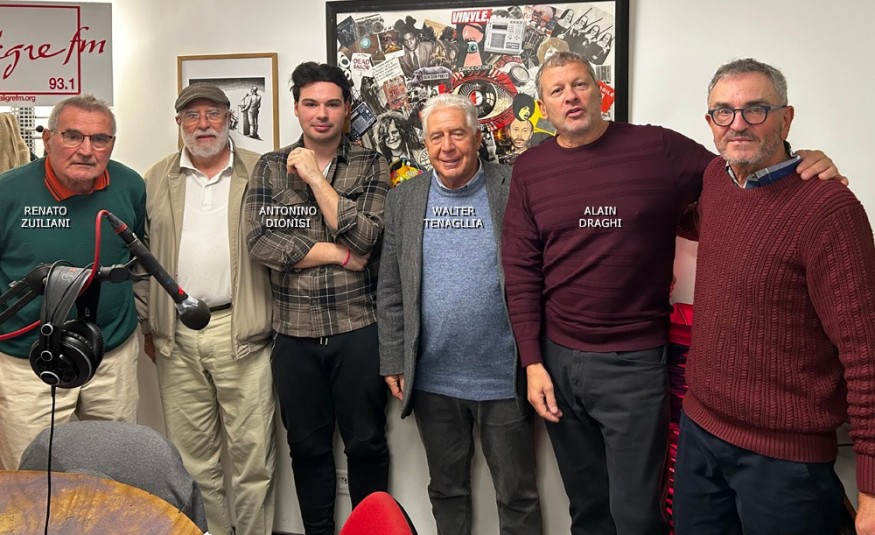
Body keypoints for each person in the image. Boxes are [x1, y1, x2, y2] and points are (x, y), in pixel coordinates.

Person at [500, 52, 841, 535]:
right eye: (557, 90)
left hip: (634, 362)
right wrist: (533, 361)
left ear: (600, 92)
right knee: (588, 509)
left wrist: (799, 159)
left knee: (638, 516)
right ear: (543, 105)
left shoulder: (655, 146)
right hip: (557, 360)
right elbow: (519, 268)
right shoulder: (530, 168)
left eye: (580, 84)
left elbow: (741, 170)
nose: (571, 97)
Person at [672, 58, 875, 535]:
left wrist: (871, 487)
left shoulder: (829, 209)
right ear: (710, 122)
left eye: (756, 109)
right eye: (724, 111)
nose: (738, 123)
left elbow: (866, 352)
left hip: (784, 461)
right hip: (701, 432)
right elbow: (696, 223)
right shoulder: (716, 180)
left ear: (786, 118)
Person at [377, 94, 542, 535]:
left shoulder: (513, 188)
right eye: (436, 137)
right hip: (433, 380)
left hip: (503, 377)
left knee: (518, 495)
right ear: (425, 144)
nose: (447, 146)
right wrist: (393, 357)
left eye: (457, 134)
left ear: (477, 137)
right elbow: (391, 288)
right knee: (447, 492)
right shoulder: (404, 199)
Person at [245, 61, 390, 535]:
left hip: (358, 329)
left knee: (366, 444)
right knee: (306, 449)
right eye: (311, 104)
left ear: (346, 109)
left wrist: (313, 177)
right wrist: (336, 252)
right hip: (294, 334)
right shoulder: (270, 167)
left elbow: (367, 239)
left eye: (331, 104)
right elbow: (259, 243)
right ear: (296, 108)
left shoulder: (371, 164)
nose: (321, 114)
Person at [138, 83, 276, 535]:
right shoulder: (155, 178)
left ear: (229, 119)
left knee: (253, 459)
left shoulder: (262, 171)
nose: (203, 124)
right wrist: (150, 325)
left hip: (243, 331)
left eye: (213, 114)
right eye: (192, 116)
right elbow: (140, 259)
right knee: (192, 461)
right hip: (177, 335)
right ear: (178, 123)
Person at [0, 94, 145, 470]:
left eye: (100, 139)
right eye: (73, 136)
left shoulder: (130, 186)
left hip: (110, 356)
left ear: (112, 143)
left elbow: (139, 260)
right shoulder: (7, 193)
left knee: (117, 472)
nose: (86, 150)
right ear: (48, 139)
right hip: (29, 364)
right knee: (31, 479)